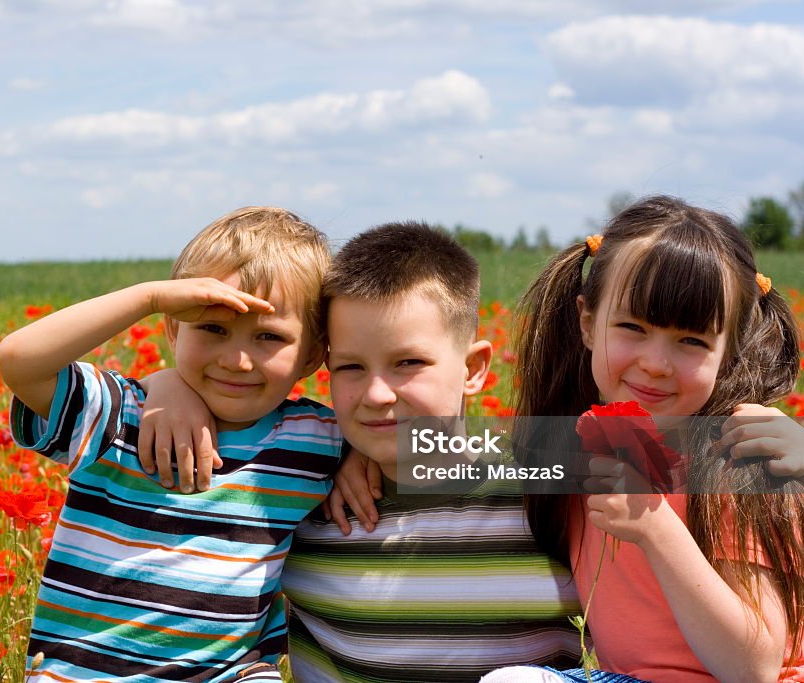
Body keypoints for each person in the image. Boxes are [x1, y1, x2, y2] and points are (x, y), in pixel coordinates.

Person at [142, 222, 587, 681]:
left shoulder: (542, 489)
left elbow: (657, 452)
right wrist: (165, 384)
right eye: (351, 366)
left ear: (473, 368)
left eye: (408, 363)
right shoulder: (299, 494)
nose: (376, 394)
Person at [0, 207, 344, 682]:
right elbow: (20, 362)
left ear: (312, 356)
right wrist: (149, 297)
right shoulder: (123, 420)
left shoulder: (315, 439)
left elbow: (433, 449)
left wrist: (364, 458)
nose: (238, 360)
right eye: (212, 328)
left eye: (269, 337)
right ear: (173, 328)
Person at [483, 195, 804, 682]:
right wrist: (356, 460)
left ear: (731, 349)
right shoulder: (575, 448)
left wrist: (656, 527)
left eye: (692, 341)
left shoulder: (740, 458)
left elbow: (754, 670)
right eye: (632, 327)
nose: (656, 363)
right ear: (588, 322)